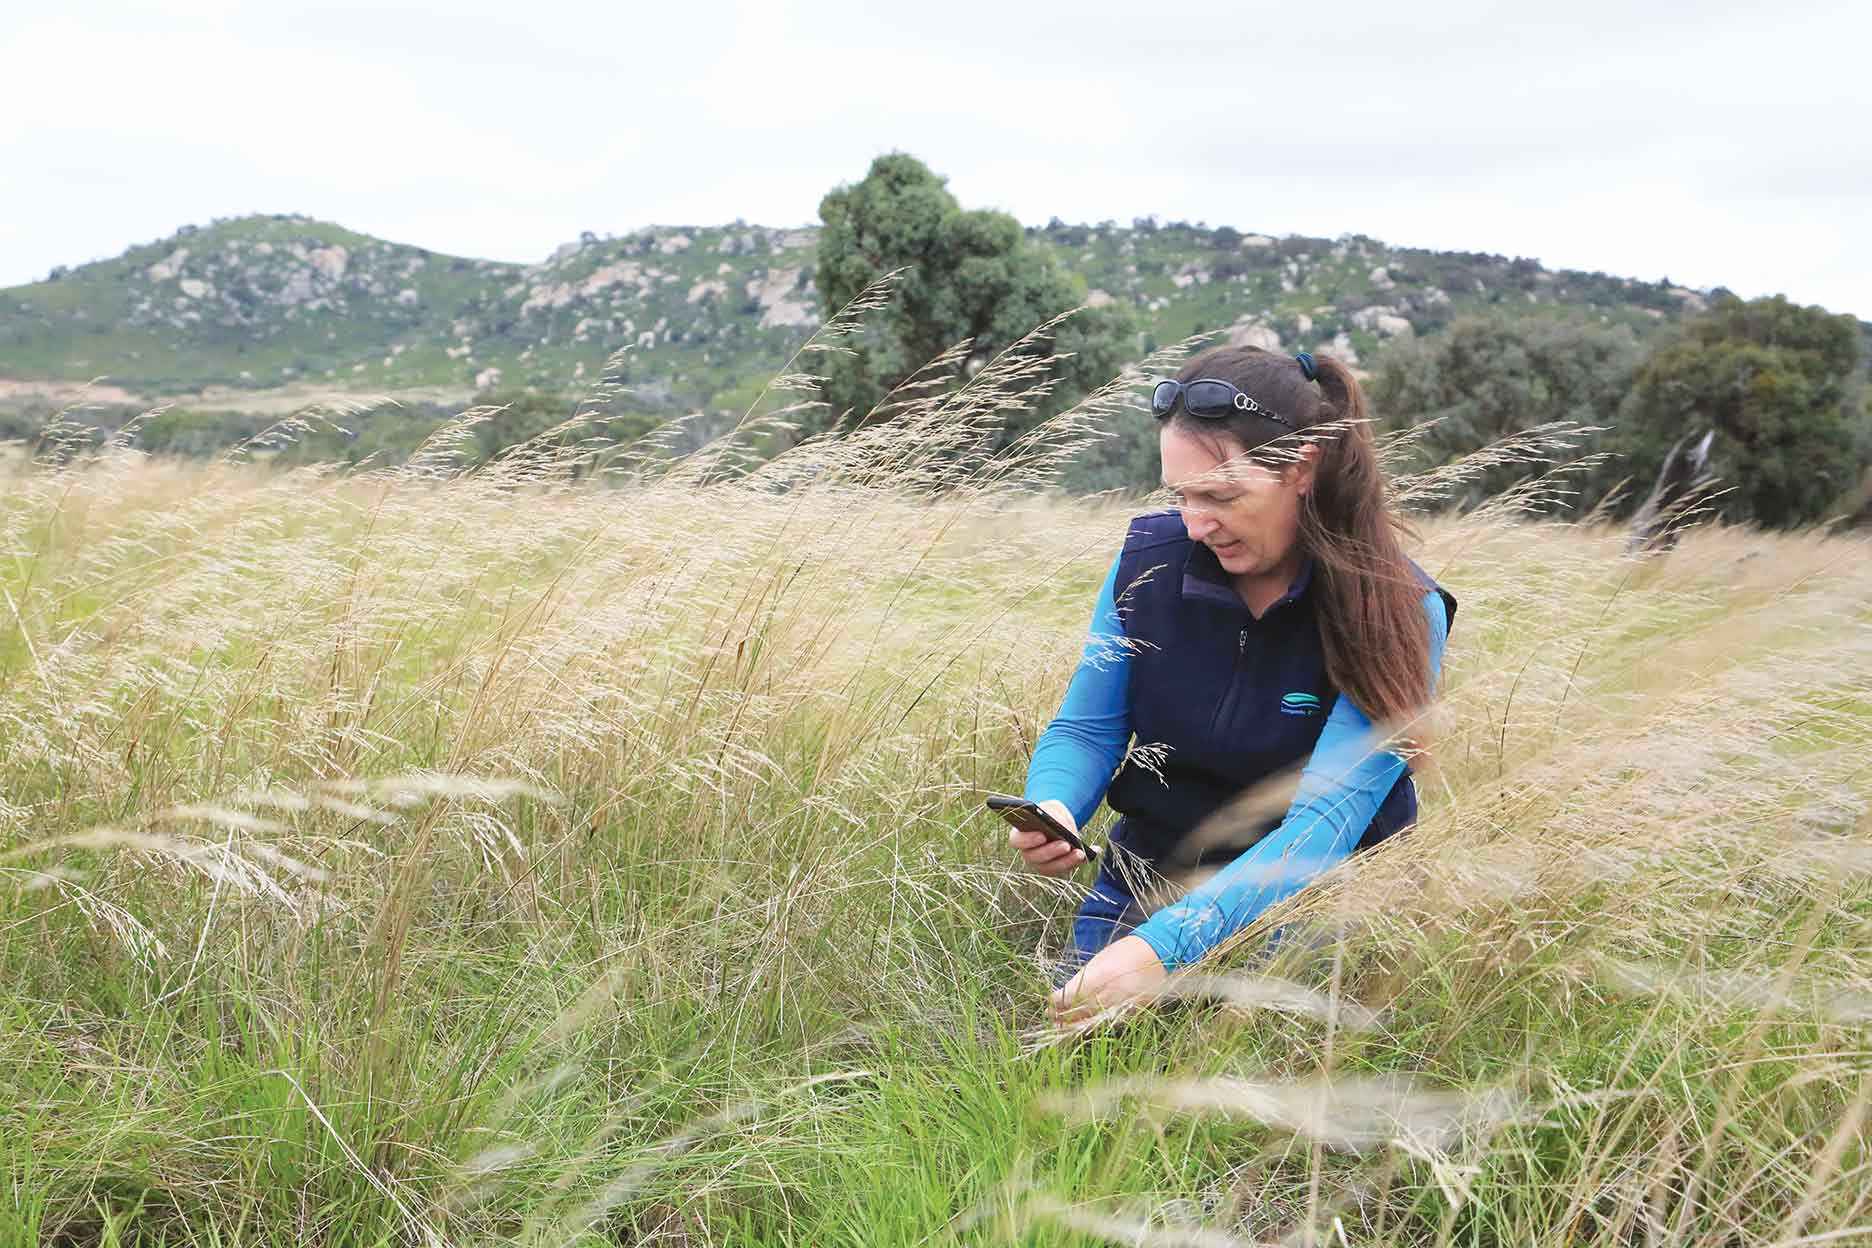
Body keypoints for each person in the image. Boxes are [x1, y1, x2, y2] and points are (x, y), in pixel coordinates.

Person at [1012, 345, 1457, 1023]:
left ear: (1303, 468)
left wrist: (1159, 952)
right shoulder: (1147, 562)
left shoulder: (1398, 609)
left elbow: (1324, 826)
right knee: (1067, 1072)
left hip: (1312, 915)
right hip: (1147, 882)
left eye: (1220, 495)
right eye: (1181, 495)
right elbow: (1087, 727)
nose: (1195, 523)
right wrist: (1056, 805)